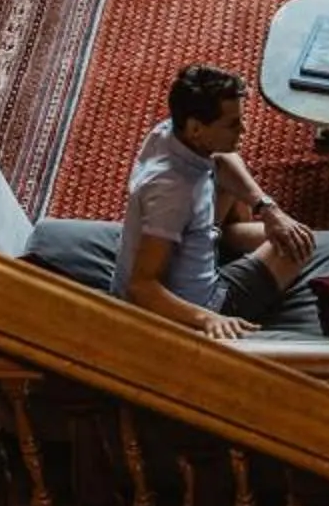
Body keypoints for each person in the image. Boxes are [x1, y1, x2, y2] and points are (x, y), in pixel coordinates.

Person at [117, 64, 314, 341]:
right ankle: (227, 246)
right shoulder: (171, 194)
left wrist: (268, 208)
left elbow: (224, 159)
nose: (244, 129)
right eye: (233, 124)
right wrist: (209, 318)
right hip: (204, 301)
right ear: (197, 128)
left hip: (190, 243)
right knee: (299, 245)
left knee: (226, 169)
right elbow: (140, 286)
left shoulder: (169, 133)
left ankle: (221, 241)